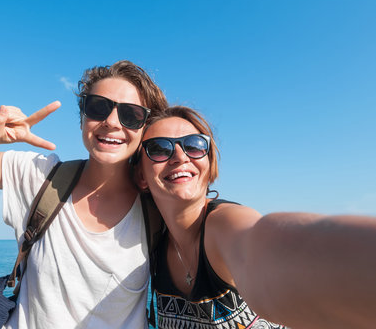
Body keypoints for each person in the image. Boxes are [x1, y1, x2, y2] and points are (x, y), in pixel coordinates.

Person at [0, 60, 168, 329]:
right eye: (98, 107)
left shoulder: (158, 207)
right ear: (82, 118)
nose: (112, 122)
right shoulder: (40, 176)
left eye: (132, 115)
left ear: (145, 129)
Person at [133, 105, 376, 329]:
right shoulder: (150, 244)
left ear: (209, 160)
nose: (180, 156)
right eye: (159, 148)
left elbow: (262, 243)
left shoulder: (223, 224)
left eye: (194, 145)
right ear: (141, 176)